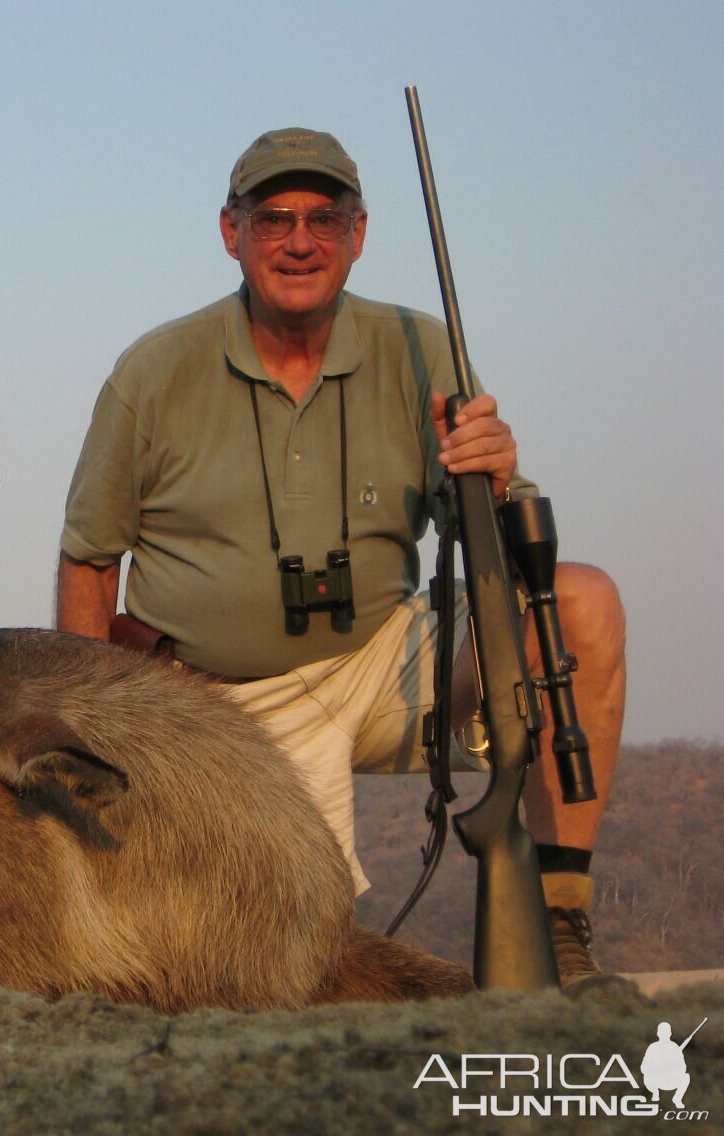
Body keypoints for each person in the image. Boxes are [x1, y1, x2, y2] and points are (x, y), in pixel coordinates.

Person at [56, 127, 627, 990]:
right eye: (274, 217)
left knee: (583, 604)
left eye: (325, 219)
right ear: (230, 232)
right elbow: (89, 567)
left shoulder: (419, 346)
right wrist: (102, 738)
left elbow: (509, 555)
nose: (299, 241)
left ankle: (561, 922)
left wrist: (498, 478)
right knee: (291, 971)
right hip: (218, 708)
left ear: (359, 235)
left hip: (381, 661)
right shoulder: (153, 370)